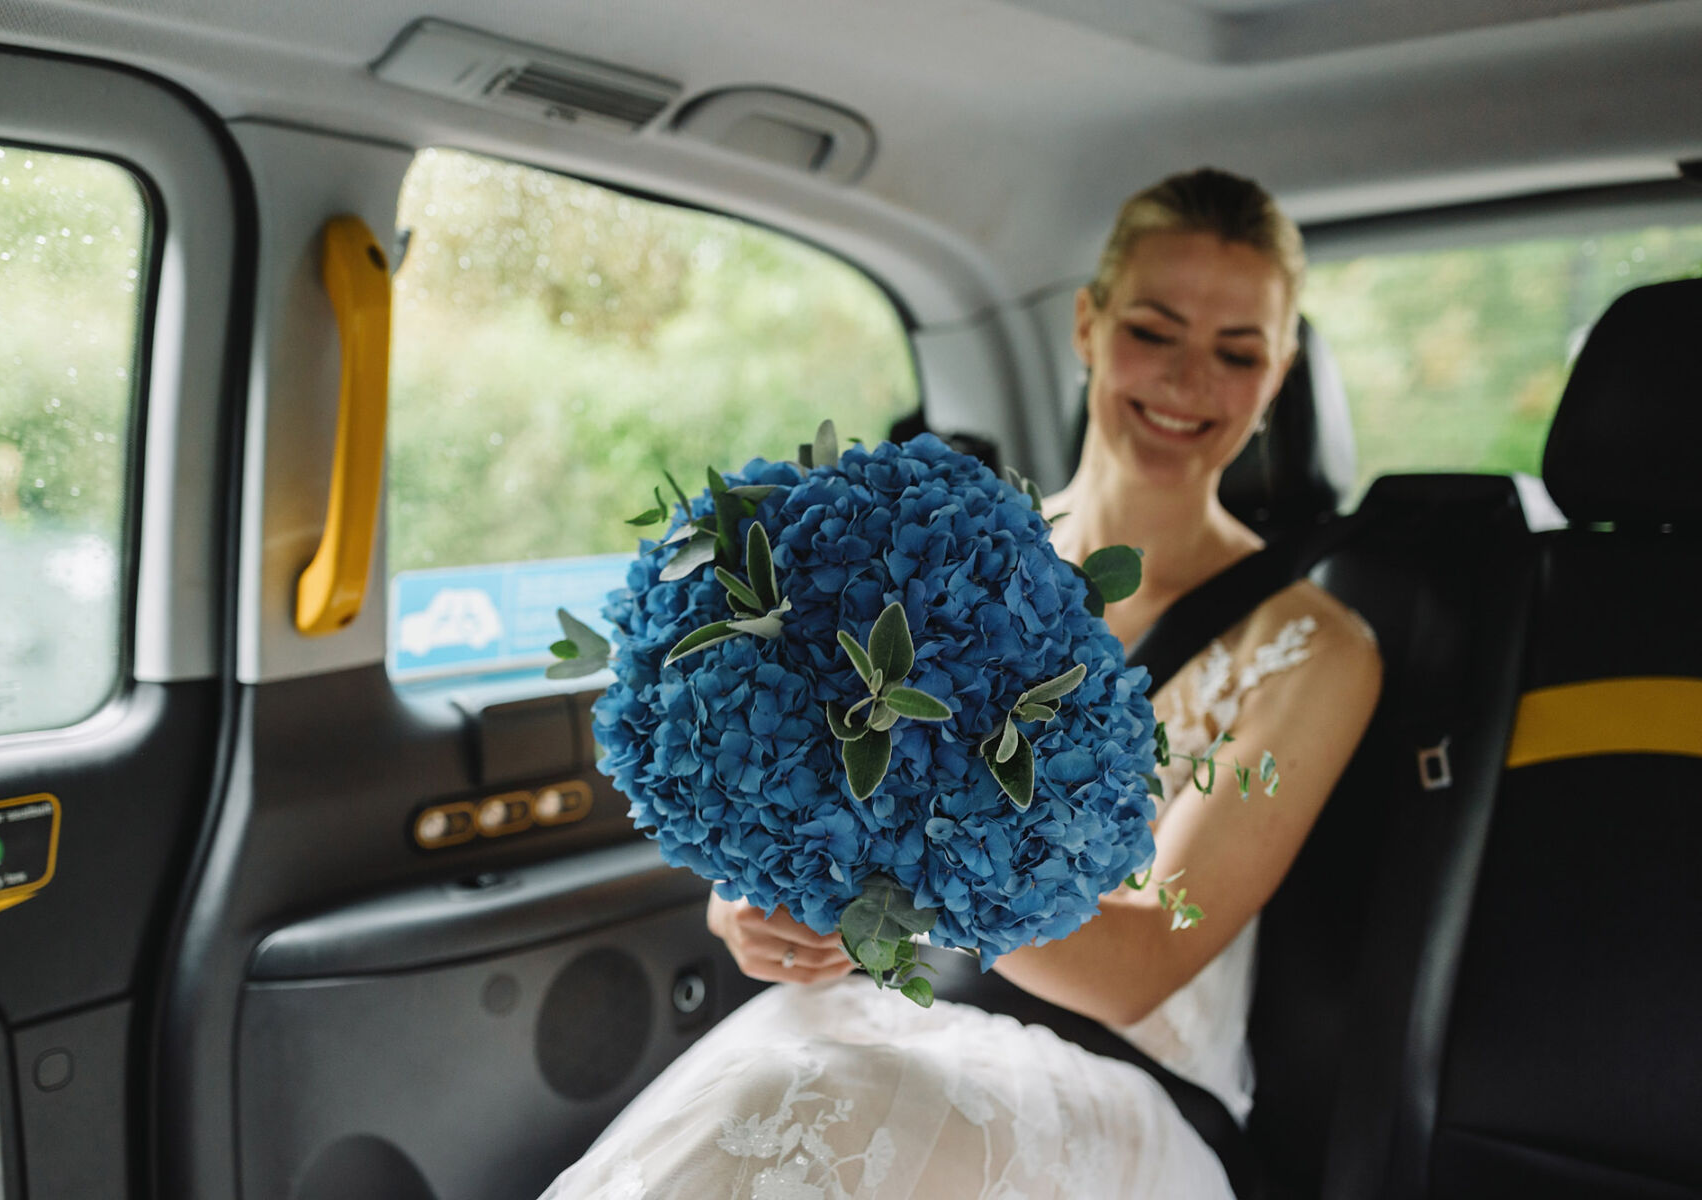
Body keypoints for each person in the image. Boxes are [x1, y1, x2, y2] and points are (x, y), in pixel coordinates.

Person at [538, 168, 1383, 1199]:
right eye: (1155, 332)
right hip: (900, 1010)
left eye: (1238, 351)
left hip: (1133, 1086)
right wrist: (764, 893)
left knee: (795, 1119)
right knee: (743, 1105)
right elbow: (824, 777)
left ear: (1281, 367)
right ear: (1088, 324)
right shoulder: (938, 549)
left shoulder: (1316, 646)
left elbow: (1145, 964)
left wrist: (888, 897)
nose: (1188, 383)